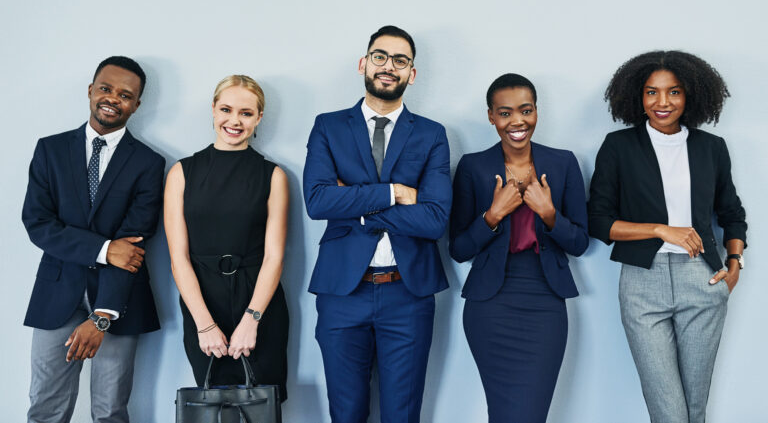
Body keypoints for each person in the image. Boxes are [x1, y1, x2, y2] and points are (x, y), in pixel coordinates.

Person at [588, 51, 747, 423]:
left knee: (694, 409)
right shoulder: (619, 146)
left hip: (702, 278)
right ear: (637, 97)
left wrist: (735, 263)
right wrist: (660, 230)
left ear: (689, 95)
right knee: (669, 413)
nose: (662, 103)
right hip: (643, 281)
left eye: (673, 92)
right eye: (651, 92)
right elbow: (598, 221)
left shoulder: (711, 148)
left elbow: (732, 214)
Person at [303, 25, 451, 423]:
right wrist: (395, 193)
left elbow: (435, 219)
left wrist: (356, 204)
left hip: (408, 292)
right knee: (346, 414)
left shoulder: (433, 135)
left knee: (402, 415)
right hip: (341, 293)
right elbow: (317, 201)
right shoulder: (328, 126)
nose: (389, 66)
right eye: (380, 56)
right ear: (364, 63)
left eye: (400, 60)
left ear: (412, 73)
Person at [22, 56, 164, 423]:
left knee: (110, 411)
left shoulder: (149, 163)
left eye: (125, 94)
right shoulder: (50, 150)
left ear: (136, 104)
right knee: (45, 410)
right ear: (90, 91)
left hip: (118, 300)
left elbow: (132, 242)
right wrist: (104, 249)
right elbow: (38, 223)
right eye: (105, 88)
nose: (113, 98)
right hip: (57, 296)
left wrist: (103, 315)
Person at [449, 74, 588, 423]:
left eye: (525, 111)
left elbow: (580, 243)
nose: (517, 121)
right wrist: (493, 215)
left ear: (536, 112)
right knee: (503, 412)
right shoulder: (473, 166)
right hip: (490, 306)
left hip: (545, 302)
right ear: (491, 116)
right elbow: (459, 248)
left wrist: (549, 213)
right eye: (505, 113)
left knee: (531, 414)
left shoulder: (563, 163)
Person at [164, 75, 289, 401]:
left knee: (261, 408)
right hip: (202, 300)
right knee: (212, 407)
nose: (234, 120)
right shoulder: (181, 173)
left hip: (259, 304)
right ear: (213, 110)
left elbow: (274, 256)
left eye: (246, 113)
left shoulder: (273, 176)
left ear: (259, 117)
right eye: (226, 109)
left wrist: (252, 320)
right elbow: (178, 257)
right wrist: (204, 324)